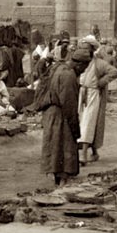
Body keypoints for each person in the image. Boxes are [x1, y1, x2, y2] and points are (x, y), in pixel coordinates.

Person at [41, 49, 90, 186]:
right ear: (80, 64)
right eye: (84, 68)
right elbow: (69, 105)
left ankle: (58, 180)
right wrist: (75, 128)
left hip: (51, 113)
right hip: (60, 115)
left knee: (56, 148)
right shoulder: (69, 76)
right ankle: (62, 183)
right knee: (64, 147)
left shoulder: (59, 68)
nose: (83, 71)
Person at [77, 48, 117, 165]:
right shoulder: (80, 62)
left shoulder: (99, 63)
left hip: (93, 95)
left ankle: (83, 155)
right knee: (83, 122)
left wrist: (101, 82)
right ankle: (94, 152)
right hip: (81, 94)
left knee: (88, 122)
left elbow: (114, 71)